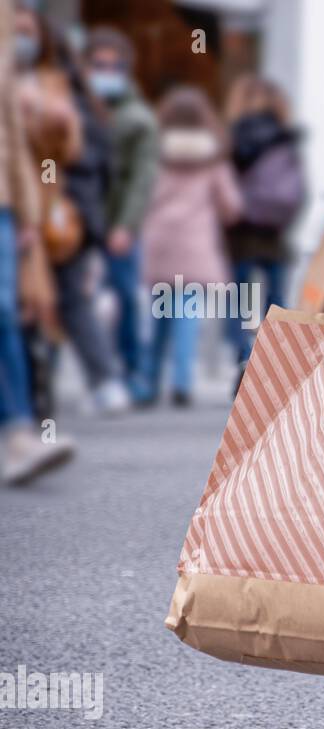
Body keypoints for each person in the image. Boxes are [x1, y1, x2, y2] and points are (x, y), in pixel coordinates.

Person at [14, 6, 126, 418]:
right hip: (52, 213)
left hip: (62, 216)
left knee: (56, 301)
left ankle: (77, 386)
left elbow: (87, 160)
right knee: (38, 302)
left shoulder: (65, 96)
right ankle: (41, 391)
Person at [0, 0, 74, 485]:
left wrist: (27, 212)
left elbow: (14, 142)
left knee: (10, 309)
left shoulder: (43, 80)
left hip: (12, 204)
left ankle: (20, 430)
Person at [138, 88, 242, 407]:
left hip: (160, 242)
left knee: (158, 318)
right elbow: (232, 206)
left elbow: (141, 197)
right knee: (186, 317)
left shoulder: (154, 154)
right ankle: (182, 382)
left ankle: (148, 381)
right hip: (195, 244)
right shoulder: (212, 158)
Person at [84, 27, 158, 403]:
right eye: (98, 65)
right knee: (72, 303)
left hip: (115, 224)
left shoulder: (137, 119)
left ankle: (132, 373)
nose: (104, 73)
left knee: (126, 298)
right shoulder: (76, 110)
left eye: (112, 66)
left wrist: (126, 226)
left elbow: (142, 179)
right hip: (77, 222)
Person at [223, 76, 305, 388]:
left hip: (241, 235)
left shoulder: (231, 139)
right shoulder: (286, 138)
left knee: (241, 303)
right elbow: (297, 192)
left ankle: (244, 357)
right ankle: (272, 362)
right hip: (274, 235)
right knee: (276, 301)